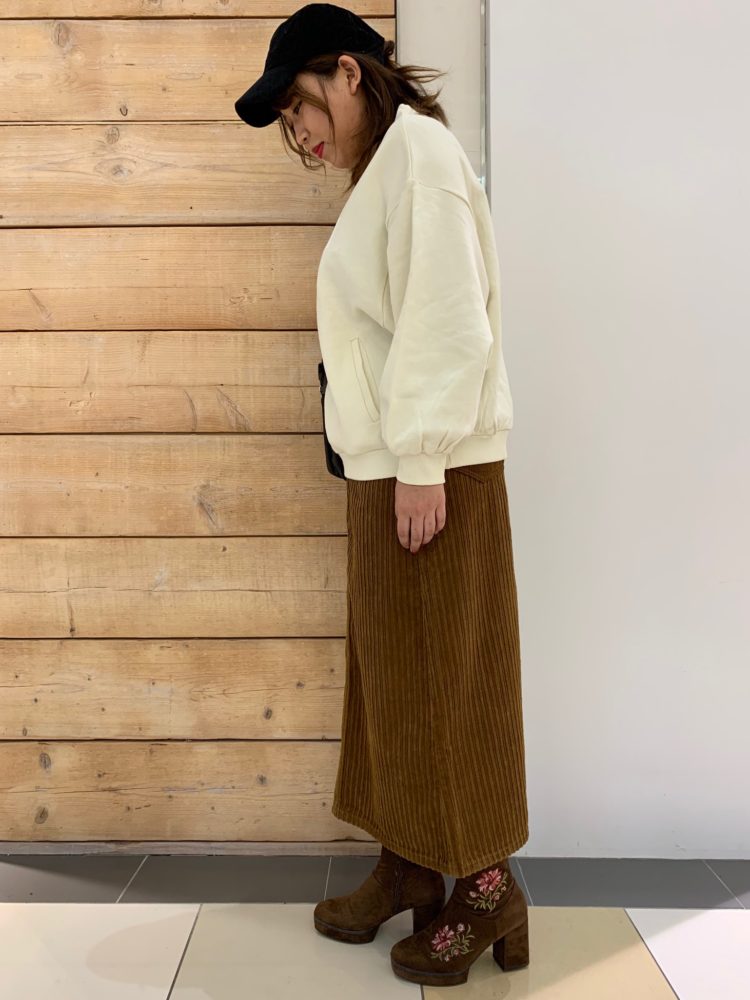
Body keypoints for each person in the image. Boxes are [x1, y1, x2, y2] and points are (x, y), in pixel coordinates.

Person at [235, 3, 530, 987]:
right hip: (392, 469)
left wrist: (423, 461)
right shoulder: (386, 171)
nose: (298, 130)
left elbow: (448, 316)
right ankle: (408, 862)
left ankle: (488, 890)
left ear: (350, 72)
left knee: (453, 678)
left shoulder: (420, 158)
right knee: (396, 681)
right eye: (287, 119)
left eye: (299, 103)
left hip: (431, 472)